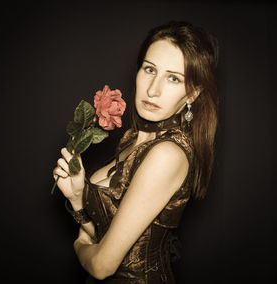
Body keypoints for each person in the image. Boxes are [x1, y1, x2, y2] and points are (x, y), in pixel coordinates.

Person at [53, 21, 219, 283]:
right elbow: (103, 237)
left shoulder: (168, 154)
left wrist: (78, 247)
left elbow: (101, 266)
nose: (154, 89)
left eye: (173, 78)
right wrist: (76, 198)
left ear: (192, 94)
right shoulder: (133, 139)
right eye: (150, 70)